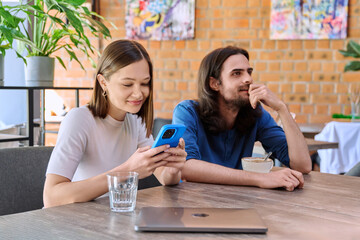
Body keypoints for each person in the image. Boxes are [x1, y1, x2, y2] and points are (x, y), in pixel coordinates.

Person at [43, 40, 187, 208]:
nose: (138, 93)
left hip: (111, 221)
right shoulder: (80, 119)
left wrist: (173, 168)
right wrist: (126, 171)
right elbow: (52, 197)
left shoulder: (135, 120)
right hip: (71, 224)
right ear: (103, 82)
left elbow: (164, 177)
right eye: (127, 84)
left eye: (145, 83)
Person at [172, 46, 312, 191]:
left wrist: (282, 109)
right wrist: (260, 178)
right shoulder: (187, 111)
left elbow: (303, 166)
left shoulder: (256, 113)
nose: (248, 79)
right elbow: (186, 167)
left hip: (239, 202)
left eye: (249, 72)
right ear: (214, 84)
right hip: (194, 204)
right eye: (237, 73)